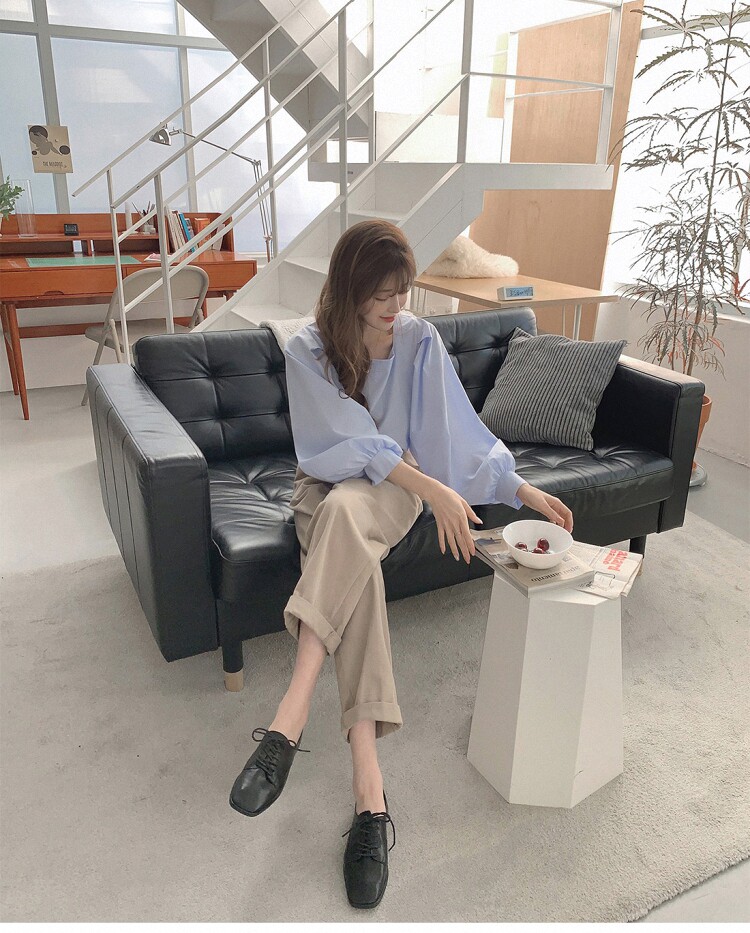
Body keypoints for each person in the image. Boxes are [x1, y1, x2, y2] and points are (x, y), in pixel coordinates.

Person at [229, 220, 573, 909]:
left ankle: (290, 716)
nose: (395, 306)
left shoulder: (418, 340)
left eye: (402, 291)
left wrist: (520, 489)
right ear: (350, 288)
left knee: (352, 516)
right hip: (324, 485)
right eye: (381, 294)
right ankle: (370, 796)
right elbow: (342, 443)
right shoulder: (306, 347)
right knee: (348, 539)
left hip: (395, 489)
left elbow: (455, 431)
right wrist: (436, 491)